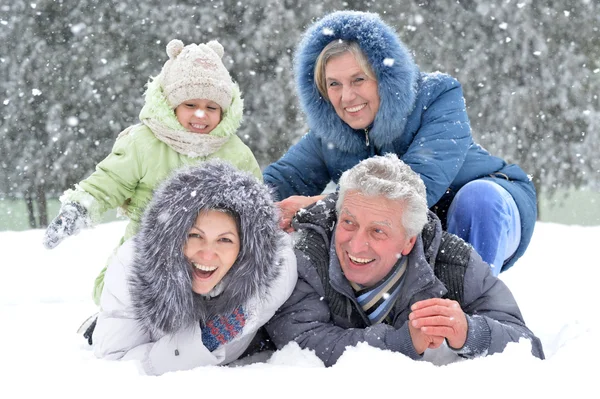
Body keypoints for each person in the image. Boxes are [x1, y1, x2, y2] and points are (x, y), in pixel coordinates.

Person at [263, 11, 536, 276]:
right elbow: (278, 181)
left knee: (477, 200)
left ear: (384, 78)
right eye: (334, 84)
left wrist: (312, 205)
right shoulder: (329, 135)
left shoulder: (438, 96)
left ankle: (471, 306)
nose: (347, 96)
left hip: (489, 207)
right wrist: (232, 205)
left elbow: (414, 187)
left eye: (358, 79)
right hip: (413, 231)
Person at [265, 154, 544, 367]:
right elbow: (299, 342)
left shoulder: (453, 264)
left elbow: (527, 346)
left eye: (378, 231)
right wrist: (401, 342)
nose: (356, 243)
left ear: (410, 239)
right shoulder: (306, 255)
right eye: (348, 222)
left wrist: (470, 332)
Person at [42, 39, 262, 304]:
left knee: (228, 294)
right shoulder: (144, 142)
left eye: (212, 107)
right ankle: (114, 321)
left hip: (210, 254)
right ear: (171, 106)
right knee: (120, 290)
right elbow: (110, 180)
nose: (201, 114)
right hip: (150, 246)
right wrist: (80, 207)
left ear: (224, 112)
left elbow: (254, 204)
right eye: (190, 105)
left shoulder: (235, 152)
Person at [91, 160, 297, 375]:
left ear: (245, 249)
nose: (207, 253)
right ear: (173, 236)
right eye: (195, 235)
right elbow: (118, 366)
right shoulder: (130, 267)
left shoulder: (274, 272)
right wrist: (203, 342)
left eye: (224, 240)